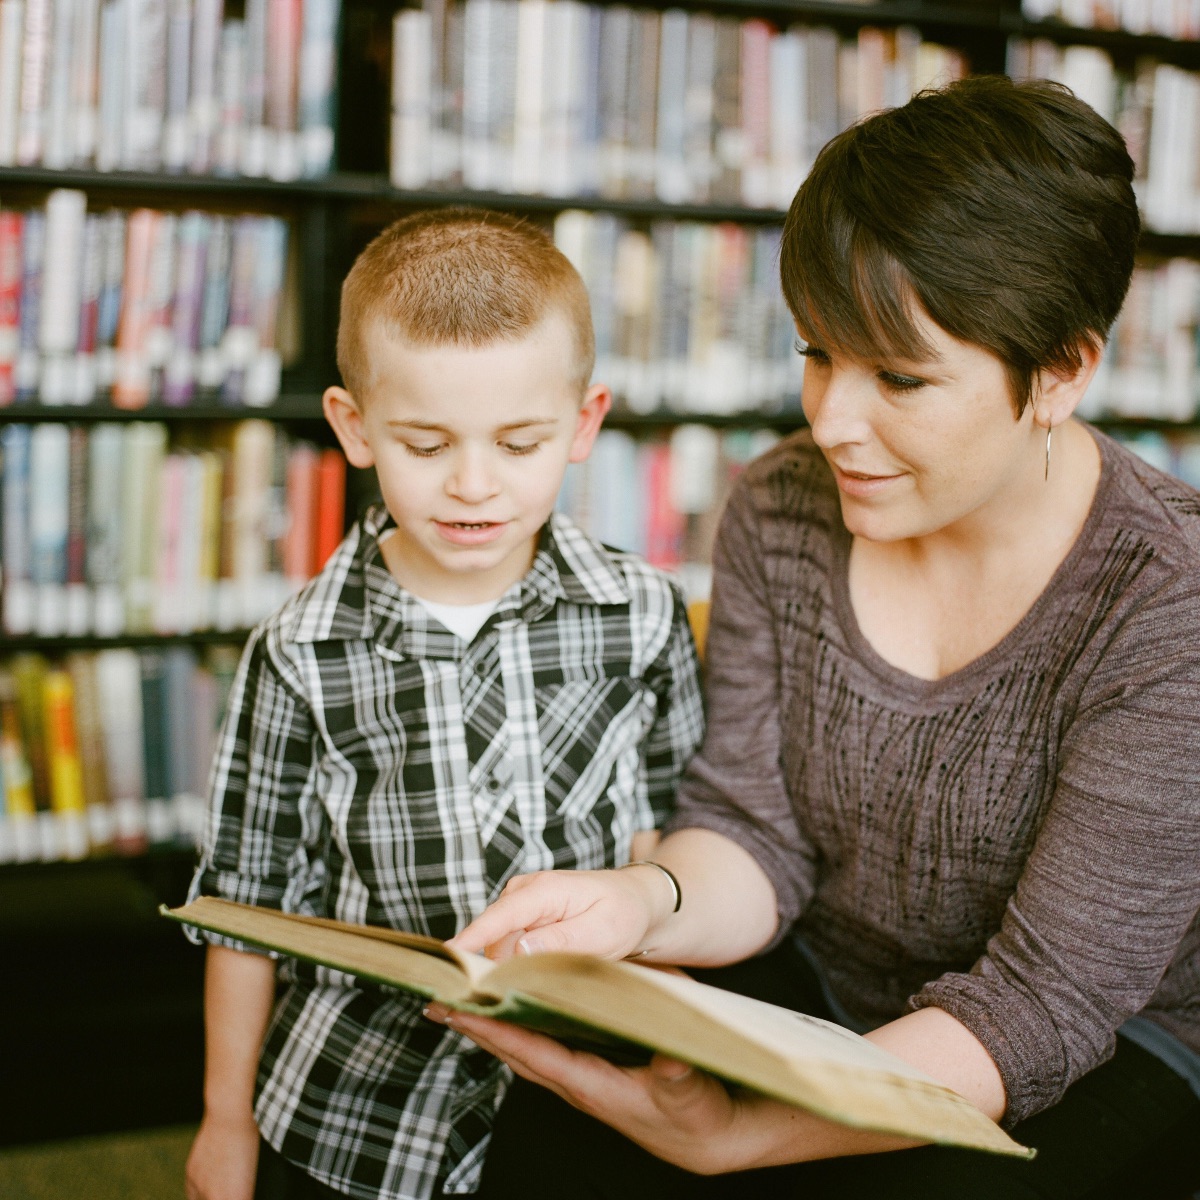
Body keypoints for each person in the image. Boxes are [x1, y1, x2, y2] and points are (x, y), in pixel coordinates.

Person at [439, 77, 1200, 1199]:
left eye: (899, 376)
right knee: (554, 1137)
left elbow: (1042, 1007)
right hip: (830, 984)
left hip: (1099, 1047)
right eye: (817, 353)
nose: (833, 421)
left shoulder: (1166, 603)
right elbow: (755, 833)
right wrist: (639, 903)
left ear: (1062, 373)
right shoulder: (781, 507)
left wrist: (742, 1132)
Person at [182, 208, 705, 1200]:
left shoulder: (639, 613)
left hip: (586, 1097)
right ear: (355, 428)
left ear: (585, 423)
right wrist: (223, 1121)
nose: (474, 485)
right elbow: (241, 910)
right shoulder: (299, 652)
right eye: (427, 443)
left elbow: (674, 835)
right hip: (358, 1115)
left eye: (519, 443)